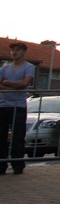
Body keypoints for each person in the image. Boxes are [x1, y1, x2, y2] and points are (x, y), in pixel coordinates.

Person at [0, 42, 36, 175]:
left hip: (18, 106)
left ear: (23, 52)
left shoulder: (29, 67)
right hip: (3, 106)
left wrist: (7, 82)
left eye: (17, 50)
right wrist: (13, 87)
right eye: (12, 50)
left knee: (18, 137)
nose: (14, 52)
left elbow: (24, 83)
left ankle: (17, 165)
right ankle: (1, 165)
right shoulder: (4, 69)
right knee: (1, 137)